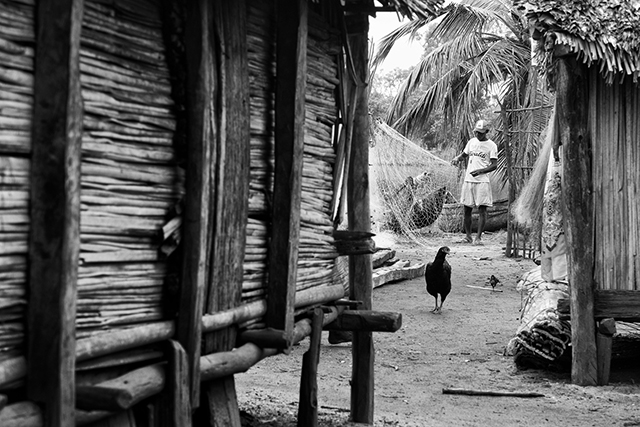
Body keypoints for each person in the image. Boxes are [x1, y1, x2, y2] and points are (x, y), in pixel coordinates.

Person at [451, 120, 498, 245]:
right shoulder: (471, 142)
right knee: (467, 209)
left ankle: (478, 238)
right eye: (477, 132)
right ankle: (468, 236)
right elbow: (464, 154)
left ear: (487, 132)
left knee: (482, 210)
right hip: (468, 180)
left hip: (482, 181)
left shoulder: (491, 145)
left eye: (481, 133)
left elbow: (494, 165)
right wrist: (457, 159)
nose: (478, 135)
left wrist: (481, 171)